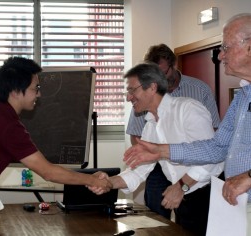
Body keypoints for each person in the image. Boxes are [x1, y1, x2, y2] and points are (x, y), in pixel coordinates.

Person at [0, 56, 112, 236]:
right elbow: (48, 172)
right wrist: (93, 180)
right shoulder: (9, 126)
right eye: (35, 88)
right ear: (15, 91)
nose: (39, 94)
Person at [123, 13, 251, 236]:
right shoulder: (242, 96)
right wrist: (161, 151)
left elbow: (212, 157)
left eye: (226, 47)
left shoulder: (190, 103)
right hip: (238, 204)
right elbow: (216, 147)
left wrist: (249, 177)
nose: (220, 55)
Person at [90, 62, 224, 236]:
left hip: (207, 196)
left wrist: (181, 186)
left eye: (132, 90)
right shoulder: (150, 126)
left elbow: (213, 158)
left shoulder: (188, 109)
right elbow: (138, 172)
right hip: (183, 198)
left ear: (152, 87)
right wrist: (109, 182)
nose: (128, 97)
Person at [126, 44, 221, 220]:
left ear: (173, 65)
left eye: (163, 72)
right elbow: (137, 137)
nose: (160, 78)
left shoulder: (195, 97)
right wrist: (109, 181)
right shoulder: (148, 116)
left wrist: (181, 185)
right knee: (158, 221)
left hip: (200, 183)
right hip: (163, 170)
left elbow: (212, 149)